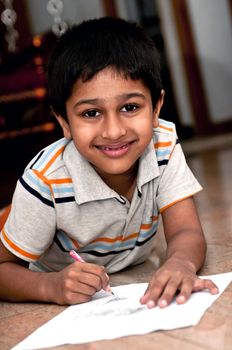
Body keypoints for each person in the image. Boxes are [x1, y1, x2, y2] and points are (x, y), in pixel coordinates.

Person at [0, 17, 218, 308]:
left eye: (130, 107)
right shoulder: (46, 180)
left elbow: (185, 231)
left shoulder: (162, 145)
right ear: (63, 121)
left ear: (156, 109)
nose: (114, 131)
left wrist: (181, 263)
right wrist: (49, 286)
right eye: (91, 113)